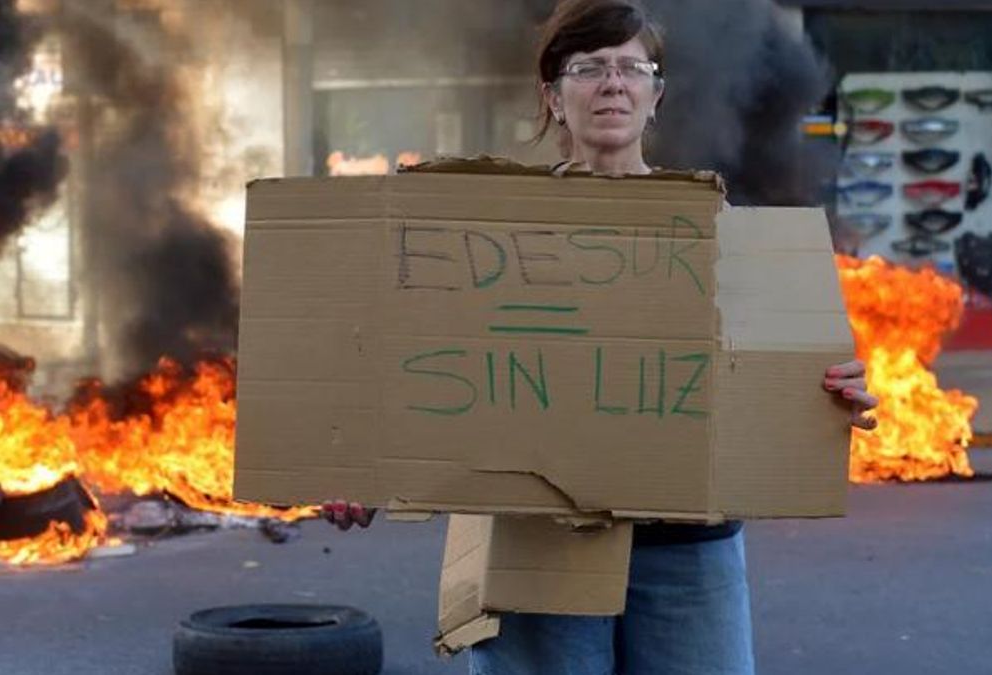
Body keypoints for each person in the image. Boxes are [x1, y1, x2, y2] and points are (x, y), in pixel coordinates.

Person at [322, 1, 879, 673]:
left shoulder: (722, 228)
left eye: (631, 67)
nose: (613, 82)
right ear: (554, 97)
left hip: (687, 552)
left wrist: (829, 396)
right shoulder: (495, 234)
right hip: (538, 546)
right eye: (588, 67)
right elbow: (429, 368)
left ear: (656, 94)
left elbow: (773, 379)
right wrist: (362, 465)